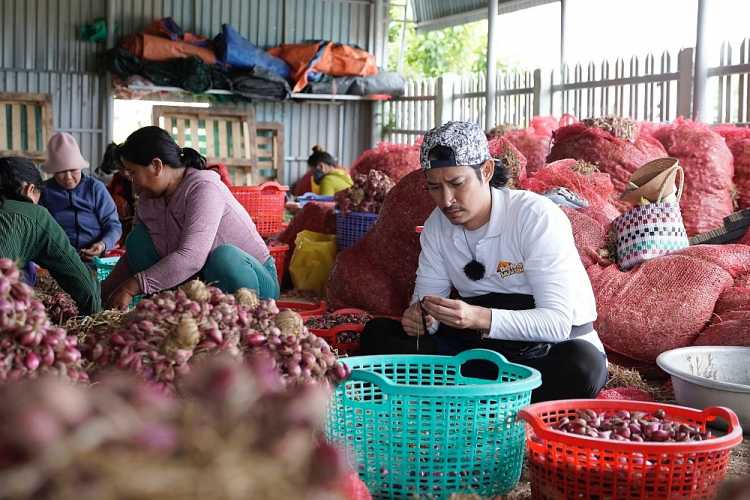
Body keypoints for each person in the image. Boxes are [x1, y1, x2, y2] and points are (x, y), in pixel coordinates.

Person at [359, 121, 607, 403]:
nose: (446, 200)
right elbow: (427, 305)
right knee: (378, 335)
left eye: (456, 183)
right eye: (434, 187)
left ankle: (463, 395)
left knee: (582, 366)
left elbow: (556, 324)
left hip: (547, 349)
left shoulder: (535, 216)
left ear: (486, 171)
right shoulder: (437, 227)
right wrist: (420, 318)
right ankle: (485, 396)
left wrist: (479, 317)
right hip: (478, 345)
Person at [101, 126, 279, 309]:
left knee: (224, 258)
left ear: (156, 166)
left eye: (133, 173)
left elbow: (191, 257)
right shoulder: (149, 198)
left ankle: (244, 318)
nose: (133, 182)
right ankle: (174, 312)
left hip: (255, 283)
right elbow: (131, 258)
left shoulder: (204, 188)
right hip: (203, 282)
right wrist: (102, 292)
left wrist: (132, 287)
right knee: (137, 242)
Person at [0, 156, 101, 315]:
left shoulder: (95, 187)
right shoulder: (34, 215)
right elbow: (82, 283)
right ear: (30, 189)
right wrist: (94, 317)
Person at [40, 132, 122, 260]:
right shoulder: (44, 191)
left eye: (73, 170)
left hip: (95, 256)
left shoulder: (95, 188)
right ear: (53, 171)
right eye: (61, 171)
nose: (68, 177)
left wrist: (103, 244)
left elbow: (113, 225)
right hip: (58, 258)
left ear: (80, 167)